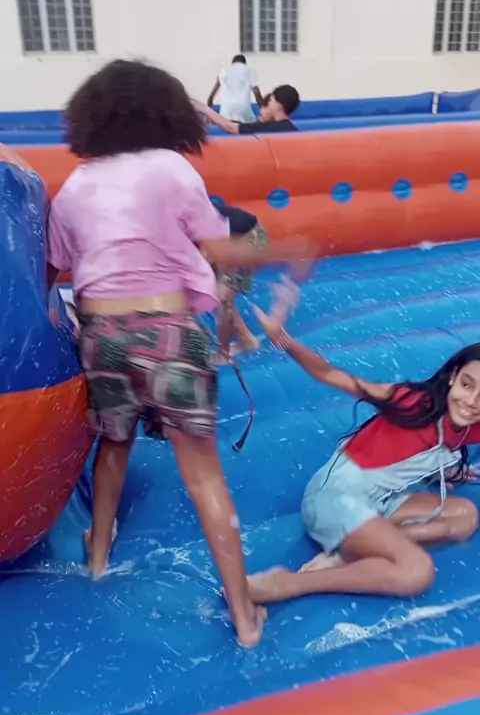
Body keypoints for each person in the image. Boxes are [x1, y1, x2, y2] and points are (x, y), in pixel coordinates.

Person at [45, 59, 317, 646]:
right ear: (163, 113)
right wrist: (288, 249)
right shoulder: (170, 168)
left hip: (101, 335)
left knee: (113, 445)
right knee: (204, 476)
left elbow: (51, 272)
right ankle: (244, 616)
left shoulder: (75, 186)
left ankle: (98, 556)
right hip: (168, 330)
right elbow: (218, 250)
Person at [247, 308, 480, 605]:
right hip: (335, 499)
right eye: (467, 385)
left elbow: (429, 447)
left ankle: (357, 550)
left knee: (465, 517)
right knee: (416, 572)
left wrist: (445, 470)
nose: (471, 402)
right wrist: (282, 340)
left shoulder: (470, 424)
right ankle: (290, 583)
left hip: (380, 501)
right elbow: (329, 374)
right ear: (453, 377)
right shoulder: (412, 402)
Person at [211, 201, 267, 358]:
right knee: (216, 293)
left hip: (250, 238)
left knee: (221, 298)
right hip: (231, 240)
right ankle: (246, 339)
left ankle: (225, 353)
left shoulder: (189, 214)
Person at [195, 85, 300, 135]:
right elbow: (242, 125)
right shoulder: (294, 131)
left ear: (278, 105)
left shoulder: (271, 128)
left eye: (270, 101)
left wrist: (204, 109)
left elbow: (232, 127)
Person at [207, 54, 262, 123]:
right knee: (253, 123)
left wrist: (208, 114)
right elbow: (257, 93)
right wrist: (263, 110)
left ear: (232, 63)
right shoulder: (250, 71)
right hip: (243, 109)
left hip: (226, 110)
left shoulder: (224, 71)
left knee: (226, 122)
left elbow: (211, 96)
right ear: (245, 63)